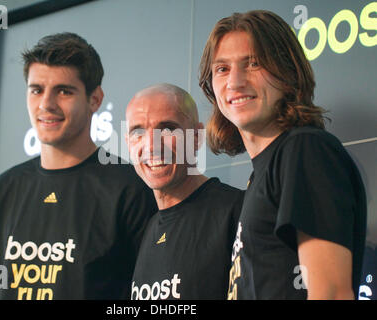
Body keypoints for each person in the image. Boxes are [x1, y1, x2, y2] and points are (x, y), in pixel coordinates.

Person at [0, 32, 157, 300]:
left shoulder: (130, 189)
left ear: (95, 99)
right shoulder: (3, 190)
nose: (46, 104)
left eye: (64, 91)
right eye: (36, 90)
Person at [199, 10, 367, 300]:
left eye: (253, 63)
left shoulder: (305, 150)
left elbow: (332, 294)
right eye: (222, 69)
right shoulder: (262, 174)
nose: (235, 82)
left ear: (287, 73)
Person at [125, 83, 244, 300]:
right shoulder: (148, 227)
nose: (152, 146)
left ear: (197, 137)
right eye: (138, 132)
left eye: (168, 129)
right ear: (127, 143)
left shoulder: (236, 211)